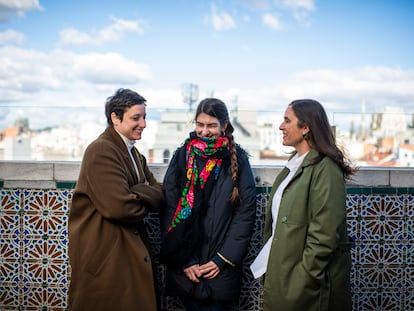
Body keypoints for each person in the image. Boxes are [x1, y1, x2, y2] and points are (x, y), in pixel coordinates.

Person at [250, 99, 357, 311]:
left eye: (287, 120)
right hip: (285, 280)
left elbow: (325, 236)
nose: (281, 126)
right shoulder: (295, 164)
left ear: (306, 127)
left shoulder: (325, 169)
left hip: (304, 288)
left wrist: (302, 280)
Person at [68, 88, 164, 311]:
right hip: (107, 255)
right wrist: (143, 192)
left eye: (144, 117)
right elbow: (121, 208)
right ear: (115, 117)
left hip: (123, 253)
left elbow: (159, 194)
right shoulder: (101, 150)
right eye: (136, 118)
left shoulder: (134, 153)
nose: (143, 124)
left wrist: (137, 192)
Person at [160, 98, 257, 311]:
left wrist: (223, 259)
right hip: (187, 266)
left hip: (219, 269)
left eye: (211, 125)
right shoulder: (182, 155)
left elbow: (246, 211)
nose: (204, 131)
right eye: (200, 125)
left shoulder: (237, 158)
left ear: (224, 125)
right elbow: (169, 206)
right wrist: (186, 261)